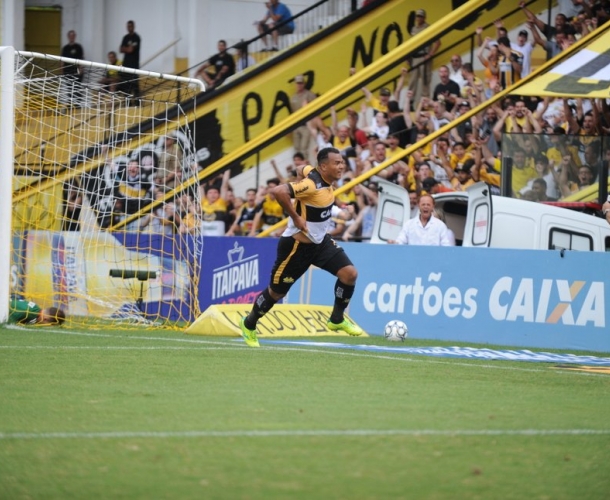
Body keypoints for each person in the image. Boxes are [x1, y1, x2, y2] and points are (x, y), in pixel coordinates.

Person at [239, 148, 363, 347]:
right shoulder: (311, 185)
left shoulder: (315, 175)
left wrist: (337, 211)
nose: (341, 166)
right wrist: (296, 217)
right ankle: (249, 324)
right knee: (276, 293)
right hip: (296, 247)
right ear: (323, 166)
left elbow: (300, 168)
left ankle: (336, 320)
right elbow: (278, 191)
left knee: (349, 274)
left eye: (342, 162)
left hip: (320, 243)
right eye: (336, 163)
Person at [407, 9, 440, 105]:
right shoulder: (414, 29)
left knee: (425, 81)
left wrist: (430, 54)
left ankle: (425, 104)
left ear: (424, 17)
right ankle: (410, 103)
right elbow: (412, 45)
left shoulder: (428, 28)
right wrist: (409, 57)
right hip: (415, 58)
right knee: (412, 81)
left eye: (421, 16)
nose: (419, 18)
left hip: (424, 56)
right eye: (417, 16)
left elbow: (437, 42)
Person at [289, 74, 317, 158]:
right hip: (297, 125)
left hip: (306, 125)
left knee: (304, 148)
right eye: (297, 83)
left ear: (304, 84)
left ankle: (305, 169)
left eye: (301, 83)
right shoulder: (293, 98)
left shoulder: (309, 94)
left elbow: (316, 108)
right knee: (296, 149)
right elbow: (293, 113)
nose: (299, 85)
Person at [119, 20, 141, 100]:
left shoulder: (136, 37)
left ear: (133, 27)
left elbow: (130, 50)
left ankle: (138, 103)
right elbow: (120, 49)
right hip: (126, 64)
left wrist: (126, 48)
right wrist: (127, 48)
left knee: (135, 84)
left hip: (134, 65)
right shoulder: (125, 38)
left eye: (130, 26)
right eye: (128, 26)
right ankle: (127, 103)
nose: (129, 28)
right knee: (126, 84)